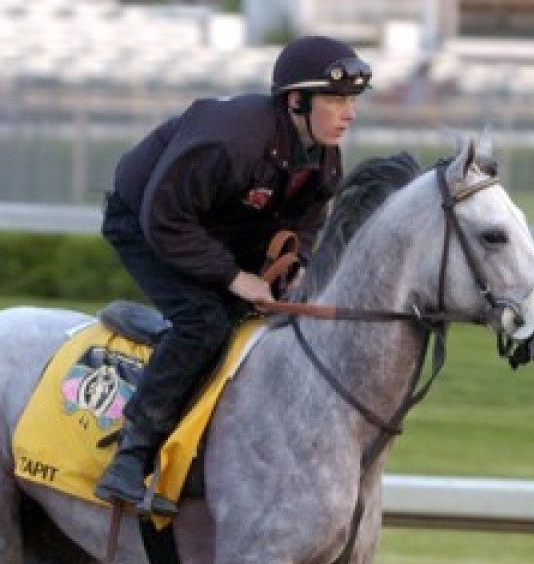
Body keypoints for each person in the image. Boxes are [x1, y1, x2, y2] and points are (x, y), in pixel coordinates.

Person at [94, 35, 373, 516]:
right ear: (296, 101)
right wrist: (233, 277)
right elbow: (166, 220)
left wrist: (293, 268)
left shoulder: (324, 156)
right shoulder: (232, 139)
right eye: (335, 99)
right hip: (147, 219)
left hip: (217, 226)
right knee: (205, 321)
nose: (348, 113)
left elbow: (306, 222)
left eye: (351, 101)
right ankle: (132, 454)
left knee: (263, 325)